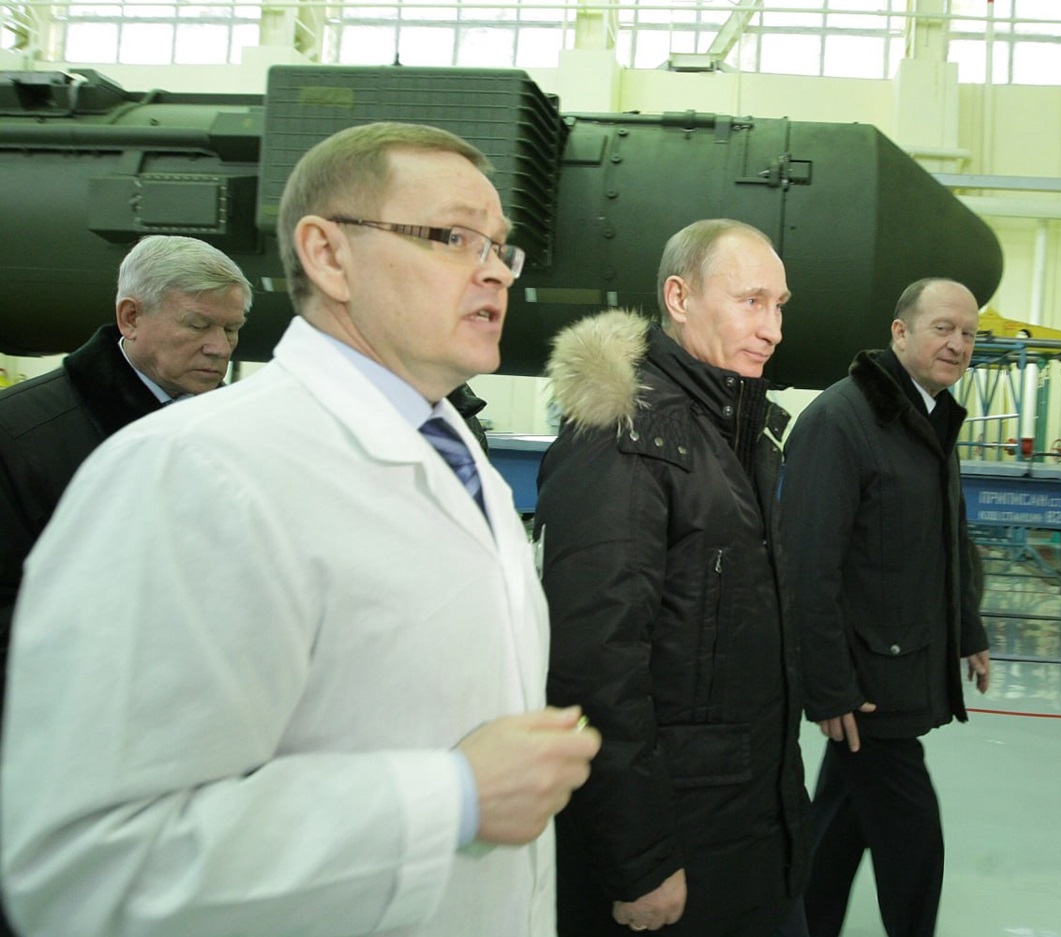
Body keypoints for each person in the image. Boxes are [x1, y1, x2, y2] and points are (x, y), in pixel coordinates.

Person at [1, 121, 600, 937]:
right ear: (328, 254)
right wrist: (451, 795)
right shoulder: (194, 472)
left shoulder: (463, 467)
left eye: (501, 246)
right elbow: (91, 870)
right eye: (454, 237)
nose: (495, 270)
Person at [534, 218, 809, 936]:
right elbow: (594, 667)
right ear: (680, 298)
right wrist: (639, 858)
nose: (773, 329)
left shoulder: (734, 434)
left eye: (779, 306)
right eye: (751, 301)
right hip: (679, 842)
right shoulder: (624, 440)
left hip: (747, 823)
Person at [779, 277, 991, 937]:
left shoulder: (930, 416)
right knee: (914, 838)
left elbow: (948, 539)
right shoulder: (840, 422)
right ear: (900, 332)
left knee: (840, 824)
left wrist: (968, 628)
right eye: (942, 328)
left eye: (968, 333)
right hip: (867, 683)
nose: (957, 344)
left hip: (901, 662)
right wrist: (830, 686)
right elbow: (807, 566)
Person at [0, 233, 251, 694]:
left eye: (231, 329)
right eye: (198, 325)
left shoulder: (244, 433)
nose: (220, 348)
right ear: (131, 318)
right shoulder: (16, 433)